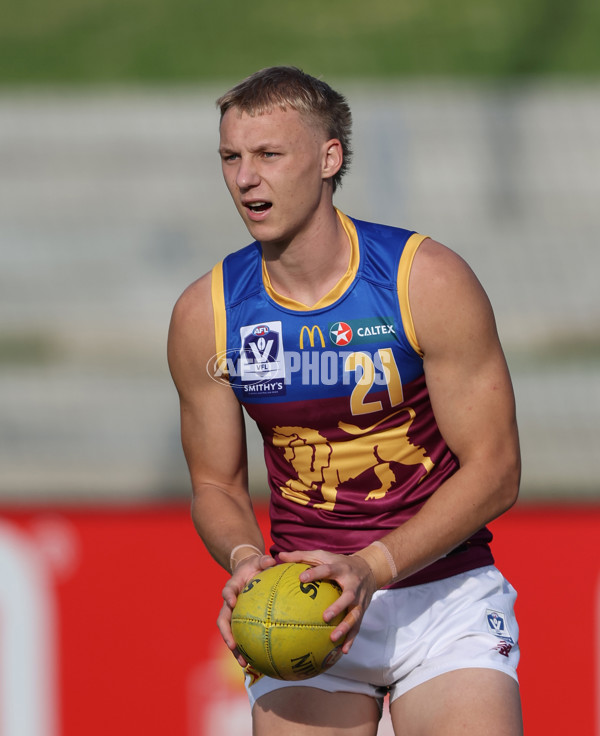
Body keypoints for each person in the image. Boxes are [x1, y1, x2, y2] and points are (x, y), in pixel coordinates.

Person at [167, 66, 523, 736]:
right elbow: (215, 483)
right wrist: (247, 562)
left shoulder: (426, 280)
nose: (246, 179)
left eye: (269, 155)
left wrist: (372, 566)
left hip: (440, 599)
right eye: (231, 158)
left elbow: (497, 470)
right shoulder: (206, 315)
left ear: (329, 157)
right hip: (306, 609)